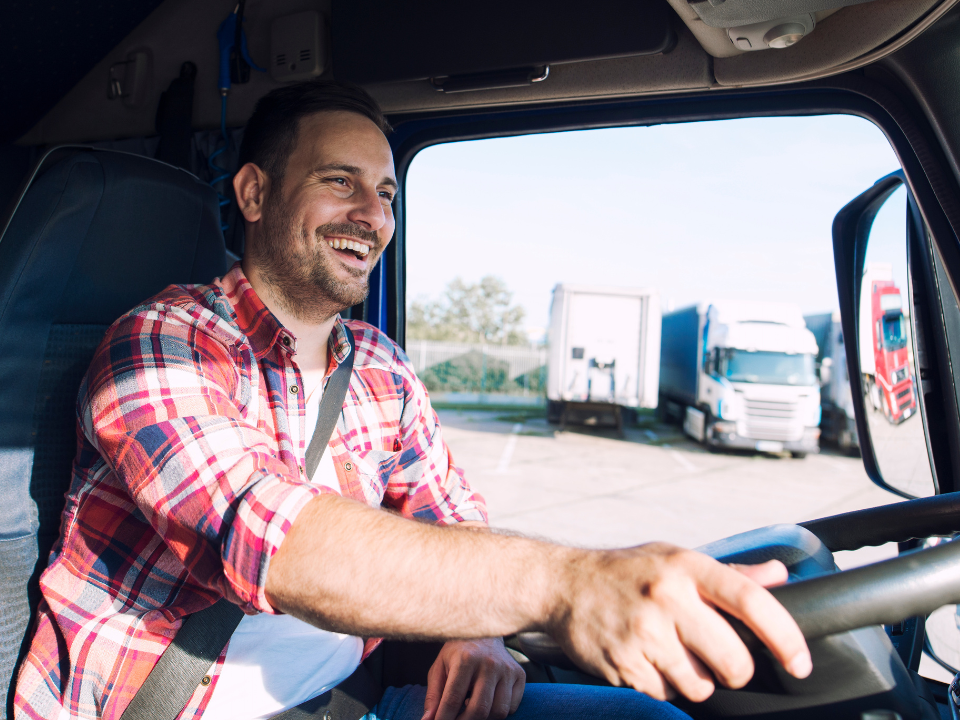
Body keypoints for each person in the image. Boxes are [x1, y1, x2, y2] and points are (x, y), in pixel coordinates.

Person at [14, 81, 810, 720]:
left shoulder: (381, 369)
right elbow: (269, 538)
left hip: (354, 703)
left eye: (387, 194)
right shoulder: (161, 341)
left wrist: (482, 632)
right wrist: (570, 584)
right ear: (255, 193)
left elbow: (448, 513)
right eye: (340, 182)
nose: (373, 216)